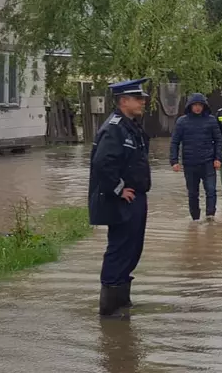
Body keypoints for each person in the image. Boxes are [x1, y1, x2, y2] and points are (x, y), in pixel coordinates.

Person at [88, 78, 151, 317]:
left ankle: (122, 301)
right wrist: (119, 189)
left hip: (135, 198)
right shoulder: (114, 127)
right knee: (120, 249)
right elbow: (102, 163)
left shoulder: (129, 125)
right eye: (138, 98)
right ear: (124, 101)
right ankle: (111, 308)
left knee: (132, 249)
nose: (142, 102)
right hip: (122, 200)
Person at [170, 93, 222, 221]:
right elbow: (175, 142)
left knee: (211, 191)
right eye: (195, 105)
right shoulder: (182, 121)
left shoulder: (211, 120)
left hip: (208, 162)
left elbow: (218, 140)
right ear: (190, 106)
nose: (198, 108)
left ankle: (210, 217)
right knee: (193, 194)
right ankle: (195, 220)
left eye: (200, 105)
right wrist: (174, 161)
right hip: (190, 164)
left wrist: (218, 158)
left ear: (204, 106)